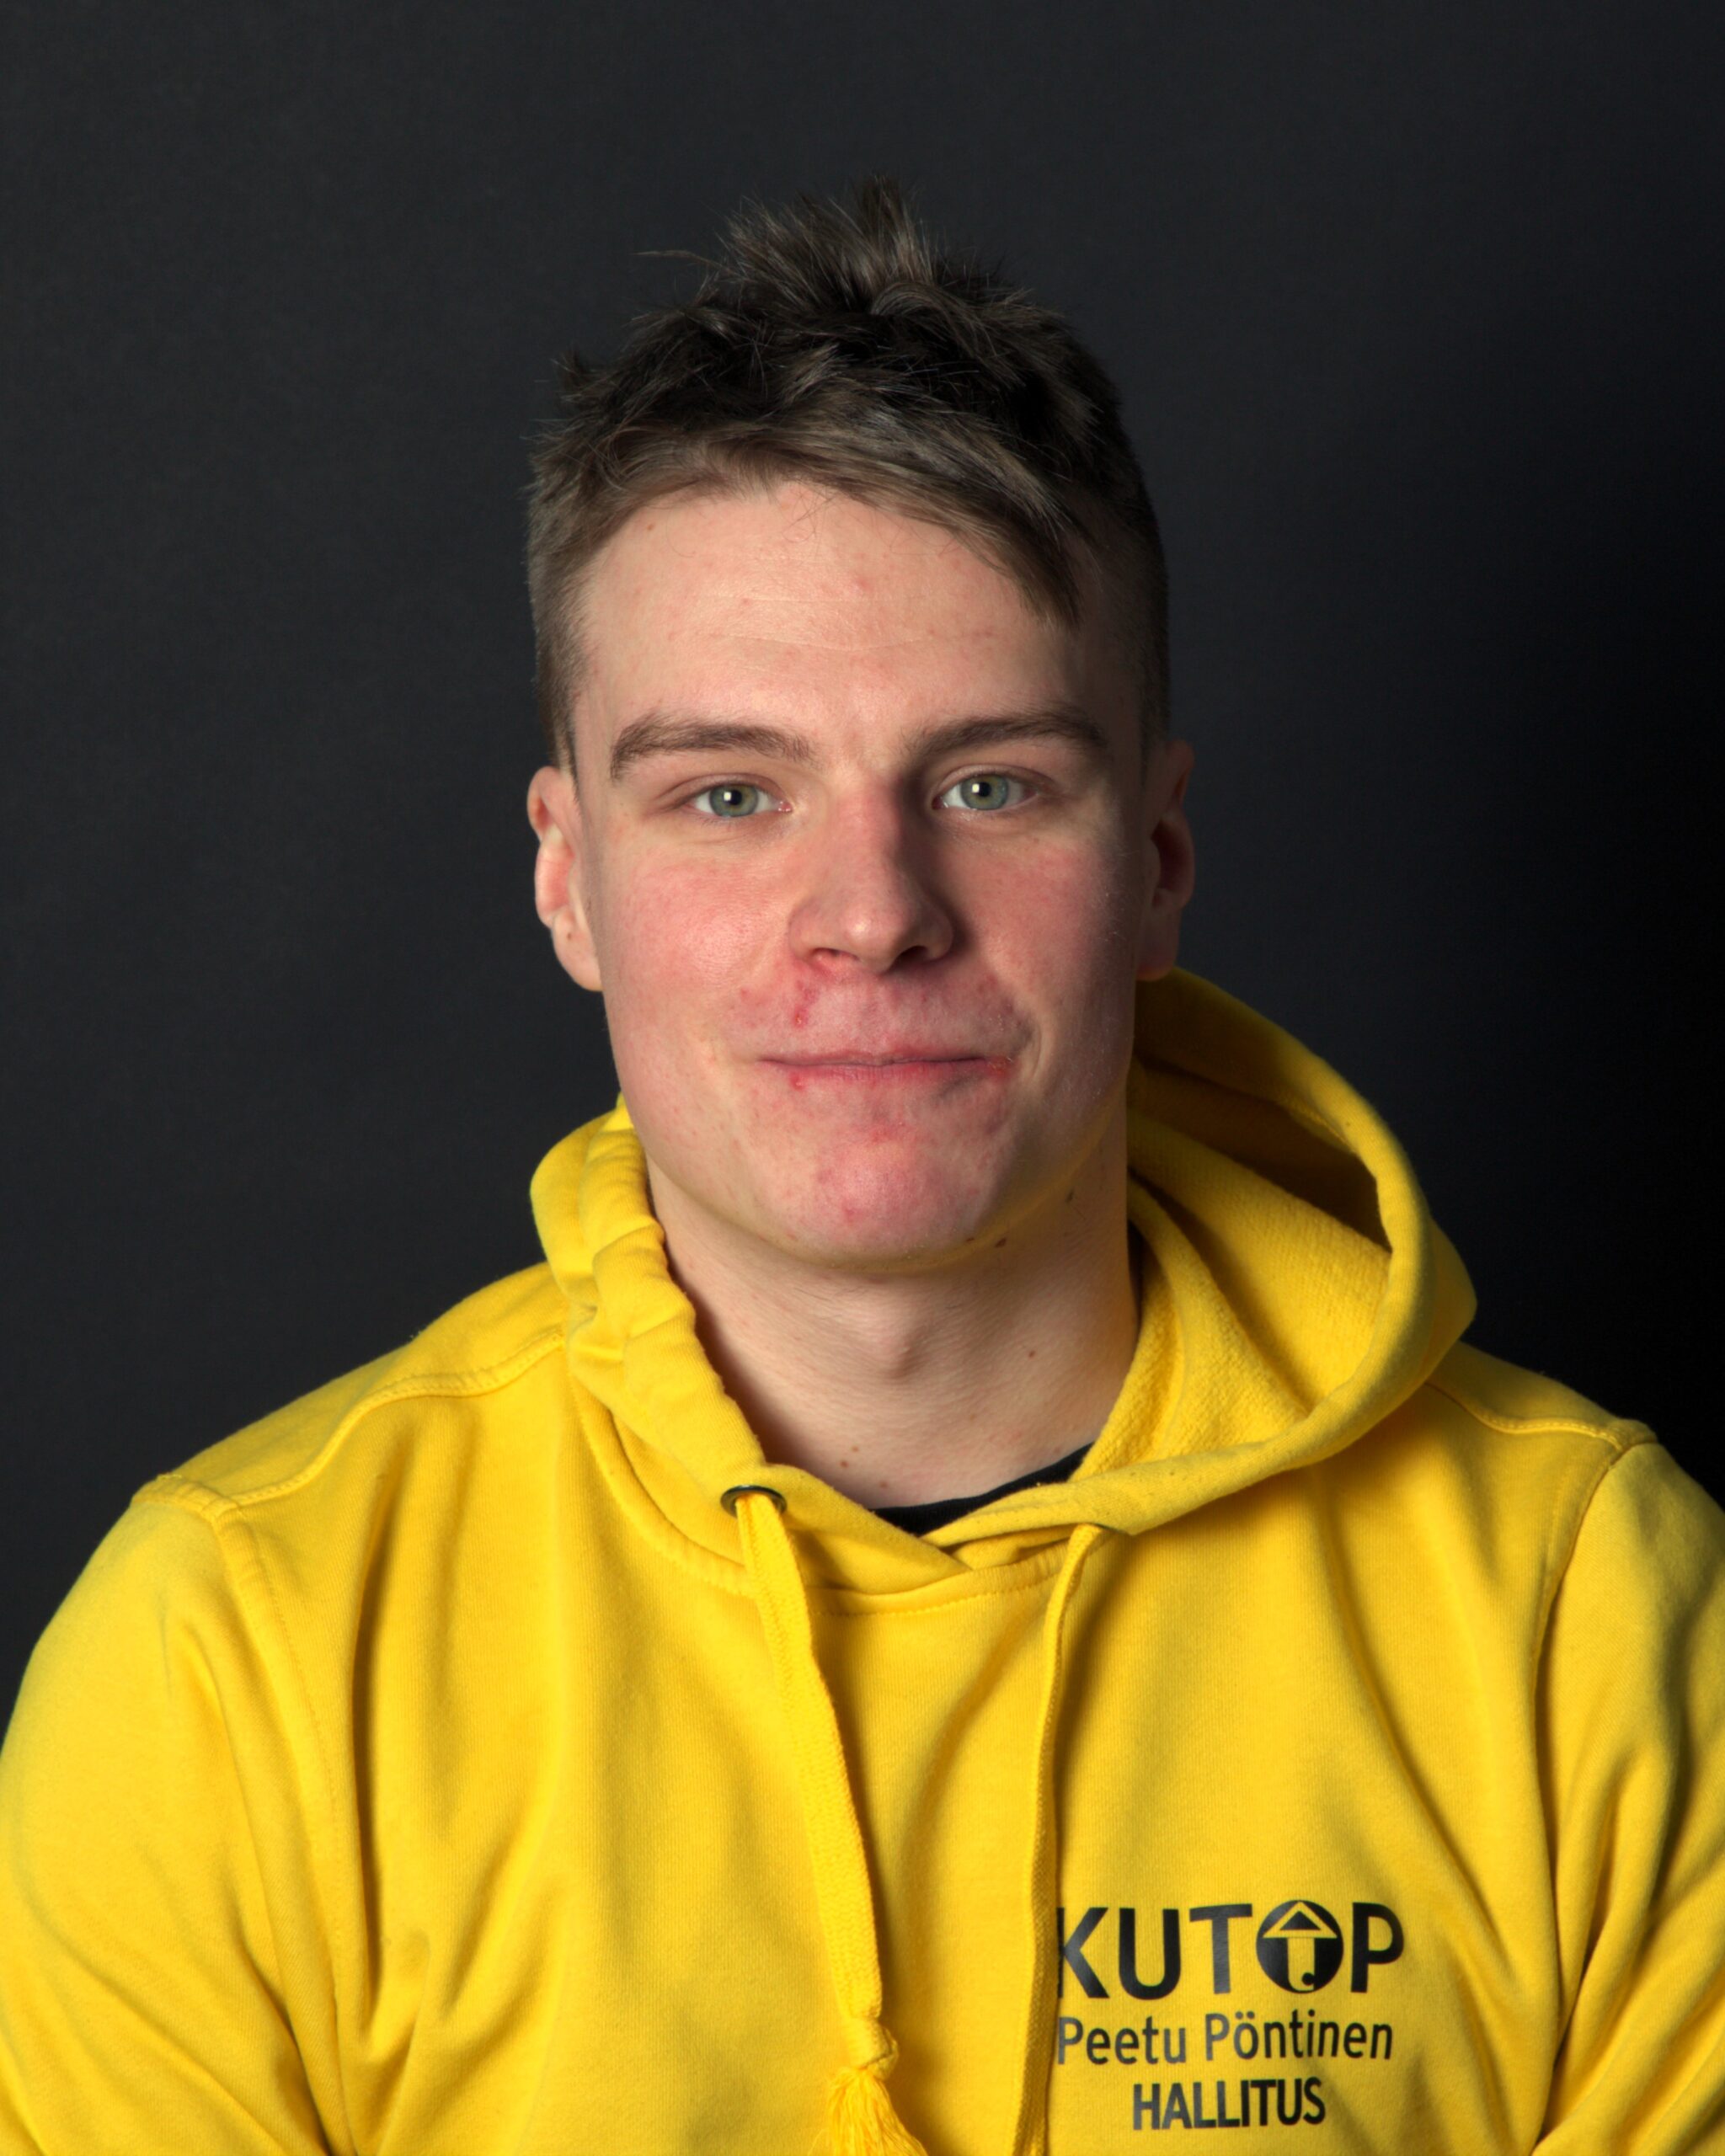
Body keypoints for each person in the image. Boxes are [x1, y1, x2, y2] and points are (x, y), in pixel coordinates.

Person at [1, 178, 1721, 2156]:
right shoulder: (235, 1651)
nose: (873, 911)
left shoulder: (1587, 1615)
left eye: (989, 782)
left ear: (1156, 859)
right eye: (730, 792)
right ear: (568, 876)